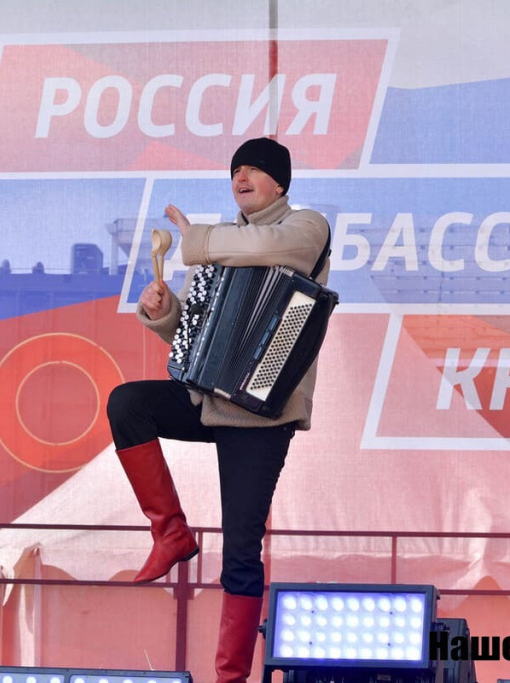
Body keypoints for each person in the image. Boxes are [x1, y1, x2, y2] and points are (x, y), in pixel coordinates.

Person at [106, 137, 330, 682]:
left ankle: (230, 679)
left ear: (280, 182)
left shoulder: (306, 227)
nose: (241, 178)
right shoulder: (216, 249)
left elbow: (271, 246)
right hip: (209, 398)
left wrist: (196, 239)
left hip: (261, 414)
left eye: (254, 169)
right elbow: (196, 342)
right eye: (235, 171)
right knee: (127, 403)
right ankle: (170, 532)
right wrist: (165, 313)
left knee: (241, 554)